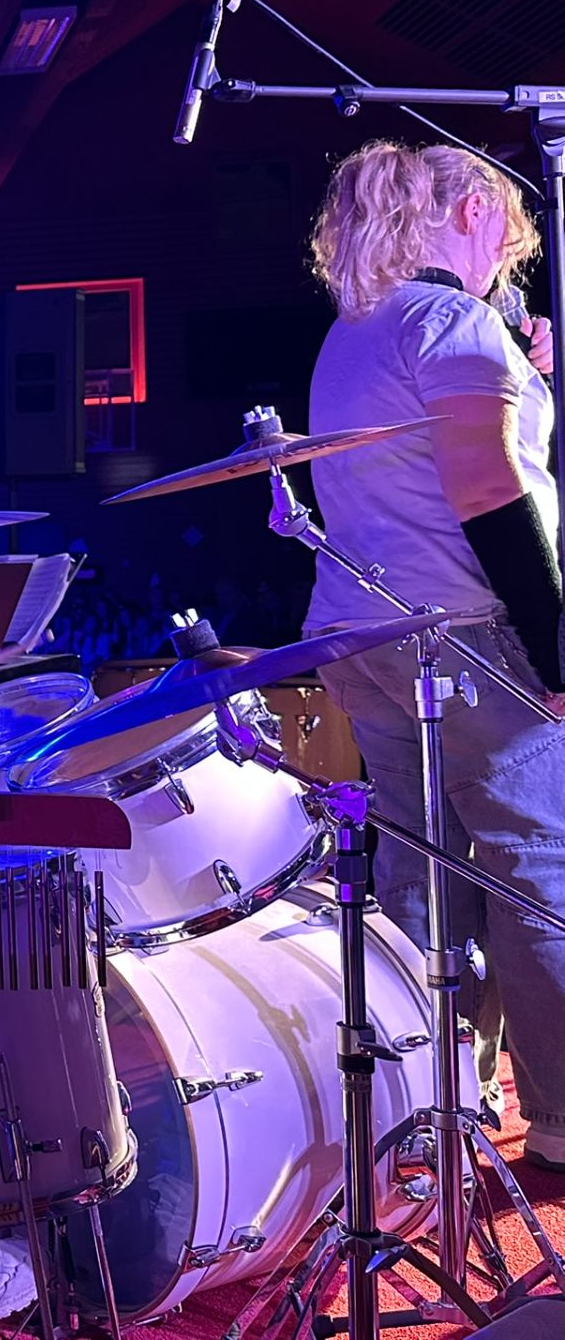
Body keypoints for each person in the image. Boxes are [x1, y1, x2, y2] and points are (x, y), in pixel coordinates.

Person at [303, 138, 564, 1157]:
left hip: (366, 634)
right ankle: (562, 1122)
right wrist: (555, 649)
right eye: (508, 239)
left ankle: (430, 1109)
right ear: (473, 213)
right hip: (465, 638)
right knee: (538, 870)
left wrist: (513, 366)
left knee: (425, 873)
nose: (508, 265)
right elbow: (489, 492)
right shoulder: (451, 324)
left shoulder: (357, 329)